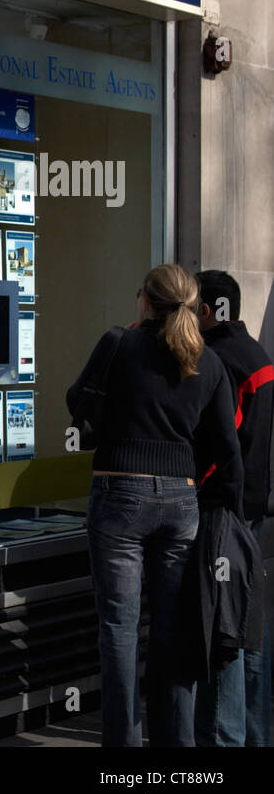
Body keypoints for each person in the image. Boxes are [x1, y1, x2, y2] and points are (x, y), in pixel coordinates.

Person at [67, 264, 242, 747]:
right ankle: (176, 744)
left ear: (145, 300)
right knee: (173, 628)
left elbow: (77, 403)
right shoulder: (208, 361)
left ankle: (123, 744)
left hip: (120, 492)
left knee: (119, 628)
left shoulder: (118, 343)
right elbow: (226, 445)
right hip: (181, 499)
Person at [194, 269, 272, 747]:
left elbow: (220, 442)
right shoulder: (258, 355)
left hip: (225, 511)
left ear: (207, 312)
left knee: (224, 631)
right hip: (254, 508)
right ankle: (256, 735)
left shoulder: (219, 361)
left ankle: (225, 742)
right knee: (249, 625)